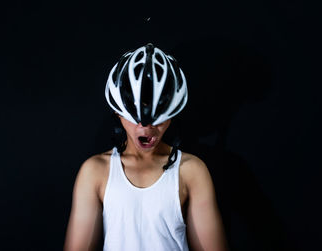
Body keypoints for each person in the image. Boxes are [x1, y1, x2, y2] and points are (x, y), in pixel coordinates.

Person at [64, 43, 228, 251]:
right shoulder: (96, 171)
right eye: (136, 117)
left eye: (157, 117)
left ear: (172, 114)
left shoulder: (191, 170)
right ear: (118, 113)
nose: (146, 128)